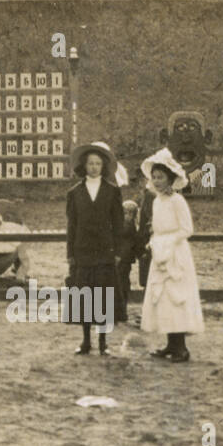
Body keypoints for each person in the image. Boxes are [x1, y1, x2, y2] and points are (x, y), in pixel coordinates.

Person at [140, 148, 204, 362]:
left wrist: (168, 242)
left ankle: (181, 348)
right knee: (163, 299)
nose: (157, 181)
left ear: (171, 179)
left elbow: (187, 229)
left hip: (175, 254)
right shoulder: (157, 201)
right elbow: (157, 228)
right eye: (154, 177)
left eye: (161, 177)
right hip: (160, 253)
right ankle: (170, 344)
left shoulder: (177, 201)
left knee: (177, 298)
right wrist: (154, 241)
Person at [65, 144, 122, 355]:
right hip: (83, 251)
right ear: (84, 165)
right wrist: (70, 254)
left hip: (105, 251)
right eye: (90, 163)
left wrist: (117, 252)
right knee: (85, 296)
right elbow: (71, 225)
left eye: (98, 163)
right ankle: (86, 341)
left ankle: (103, 343)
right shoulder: (74, 192)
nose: (94, 167)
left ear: (103, 166)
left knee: (104, 296)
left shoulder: (113, 191)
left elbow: (118, 223)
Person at [114, 199, 143, 324]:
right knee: (120, 285)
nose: (128, 216)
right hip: (120, 259)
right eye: (125, 213)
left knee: (122, 285)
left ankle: (120, 312)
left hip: (124, 260)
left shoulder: (127, 227)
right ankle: (119, 312)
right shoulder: (126, 227)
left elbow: (136, 244)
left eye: (131, 213)